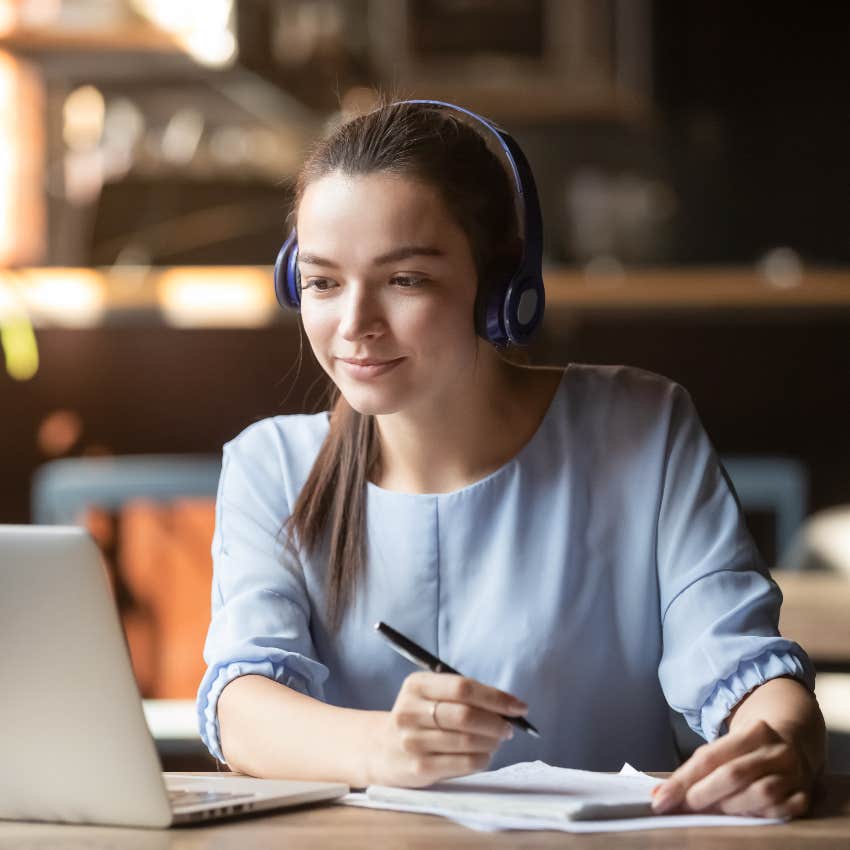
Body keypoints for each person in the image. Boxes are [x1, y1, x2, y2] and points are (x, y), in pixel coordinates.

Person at [196, 99, 825, 817]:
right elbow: (242, 705)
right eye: (323, 281)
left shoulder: (641, 429)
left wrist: (785, 738)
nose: (355, 325)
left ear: (501, 291)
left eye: (406, 280)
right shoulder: (269, 464)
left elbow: (740, 665)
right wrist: (390, 749)